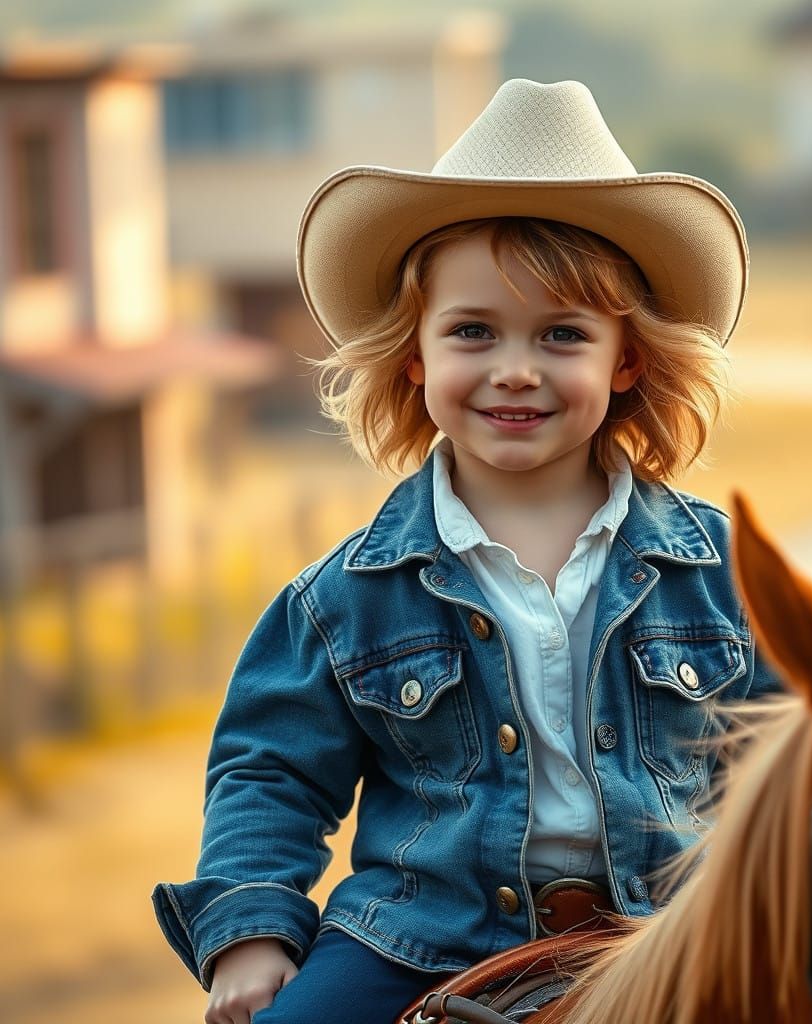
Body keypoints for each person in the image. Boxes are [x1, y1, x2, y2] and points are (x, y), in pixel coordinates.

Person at [152, 78, 779, 1024]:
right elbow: (269, 771)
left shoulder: (721, 570)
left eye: (562, 335)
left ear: (627, 360)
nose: (514, 368)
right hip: (418, 940)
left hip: (679, 931)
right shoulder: (344, 596)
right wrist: (251, 931)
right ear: (415, 354)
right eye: (473, 332)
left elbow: (800, 749)